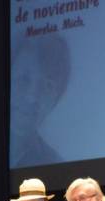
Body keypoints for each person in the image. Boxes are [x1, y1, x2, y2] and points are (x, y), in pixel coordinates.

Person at [9, 33, 70, 168]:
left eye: (47, 86)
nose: (32, 97)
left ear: (56, 99)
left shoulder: (57, 167)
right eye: (24, 79)